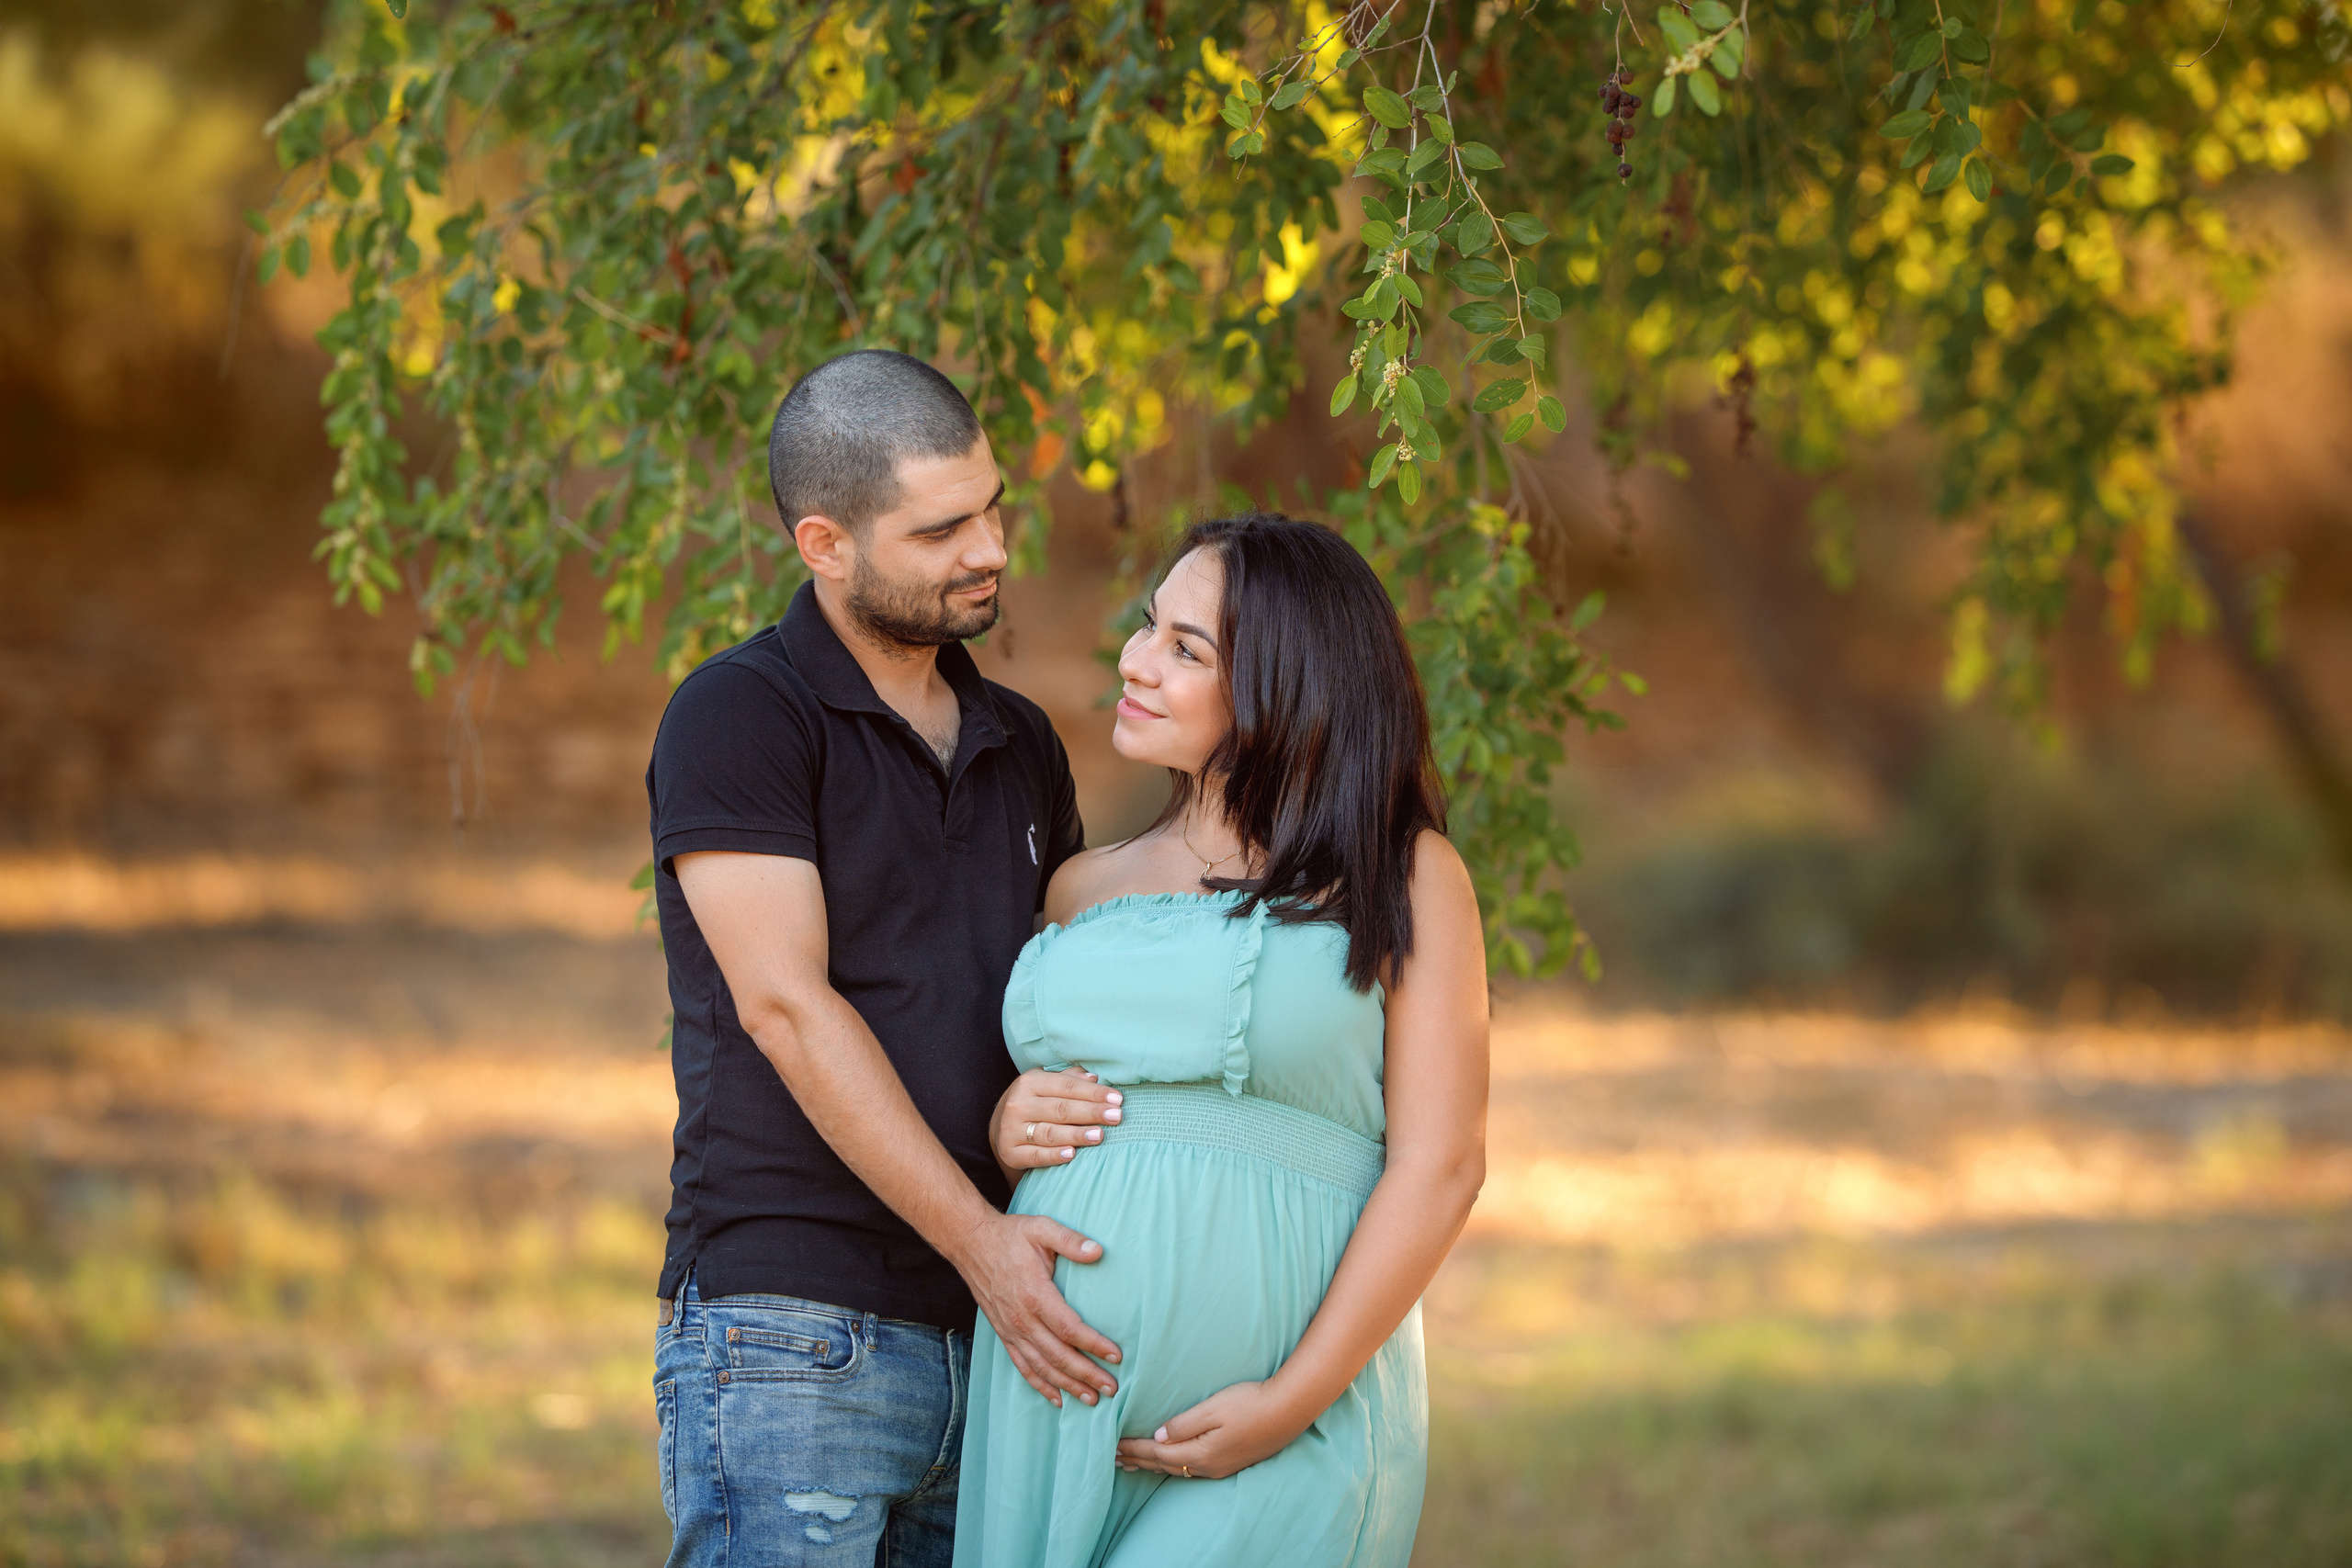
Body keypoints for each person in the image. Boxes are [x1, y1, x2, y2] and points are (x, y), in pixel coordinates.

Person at [646, 349, 1130, 1566]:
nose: (990, 548)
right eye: (941, 528)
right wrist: (986, 1243)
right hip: (793, 1326)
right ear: (826, 542)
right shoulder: (740, 715)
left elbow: (1052, 990)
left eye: (992, 506)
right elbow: (785, 1006)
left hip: (988, 1330)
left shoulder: (1022, 741)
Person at [952, 513, 1492, 1567]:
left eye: (1185, 649)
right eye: (1148, 627)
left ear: (1287, 687)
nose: (1135, 660)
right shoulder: (1077, 885)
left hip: (1292, 1419)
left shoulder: (1404, 876)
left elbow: (1444, 1165)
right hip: (1055, 1398)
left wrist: (1291, 1401)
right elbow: (1038, 1095)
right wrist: (1007, 1120)